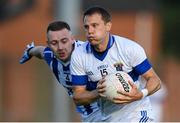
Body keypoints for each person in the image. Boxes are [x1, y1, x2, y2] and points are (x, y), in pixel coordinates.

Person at [70, 6, 162, 122]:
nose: (90, 31)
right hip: (106, 116)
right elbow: (78, 96)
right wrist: (98, 92)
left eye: (95, 25)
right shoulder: (79, 55)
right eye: (86, 27)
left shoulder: (129, 48)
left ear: (108, 26)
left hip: (135, 112)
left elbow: (155, 80)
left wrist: (140, 94)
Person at [19, 21, 101, 122]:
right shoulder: (50, 55)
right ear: (49, 44)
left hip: (110, 109)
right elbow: (40, 51)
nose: (60, 47)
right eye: (54, 43)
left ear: (72, 39)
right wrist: (29, 51)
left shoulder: (89, 53)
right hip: (88, 116)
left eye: (64, 41)